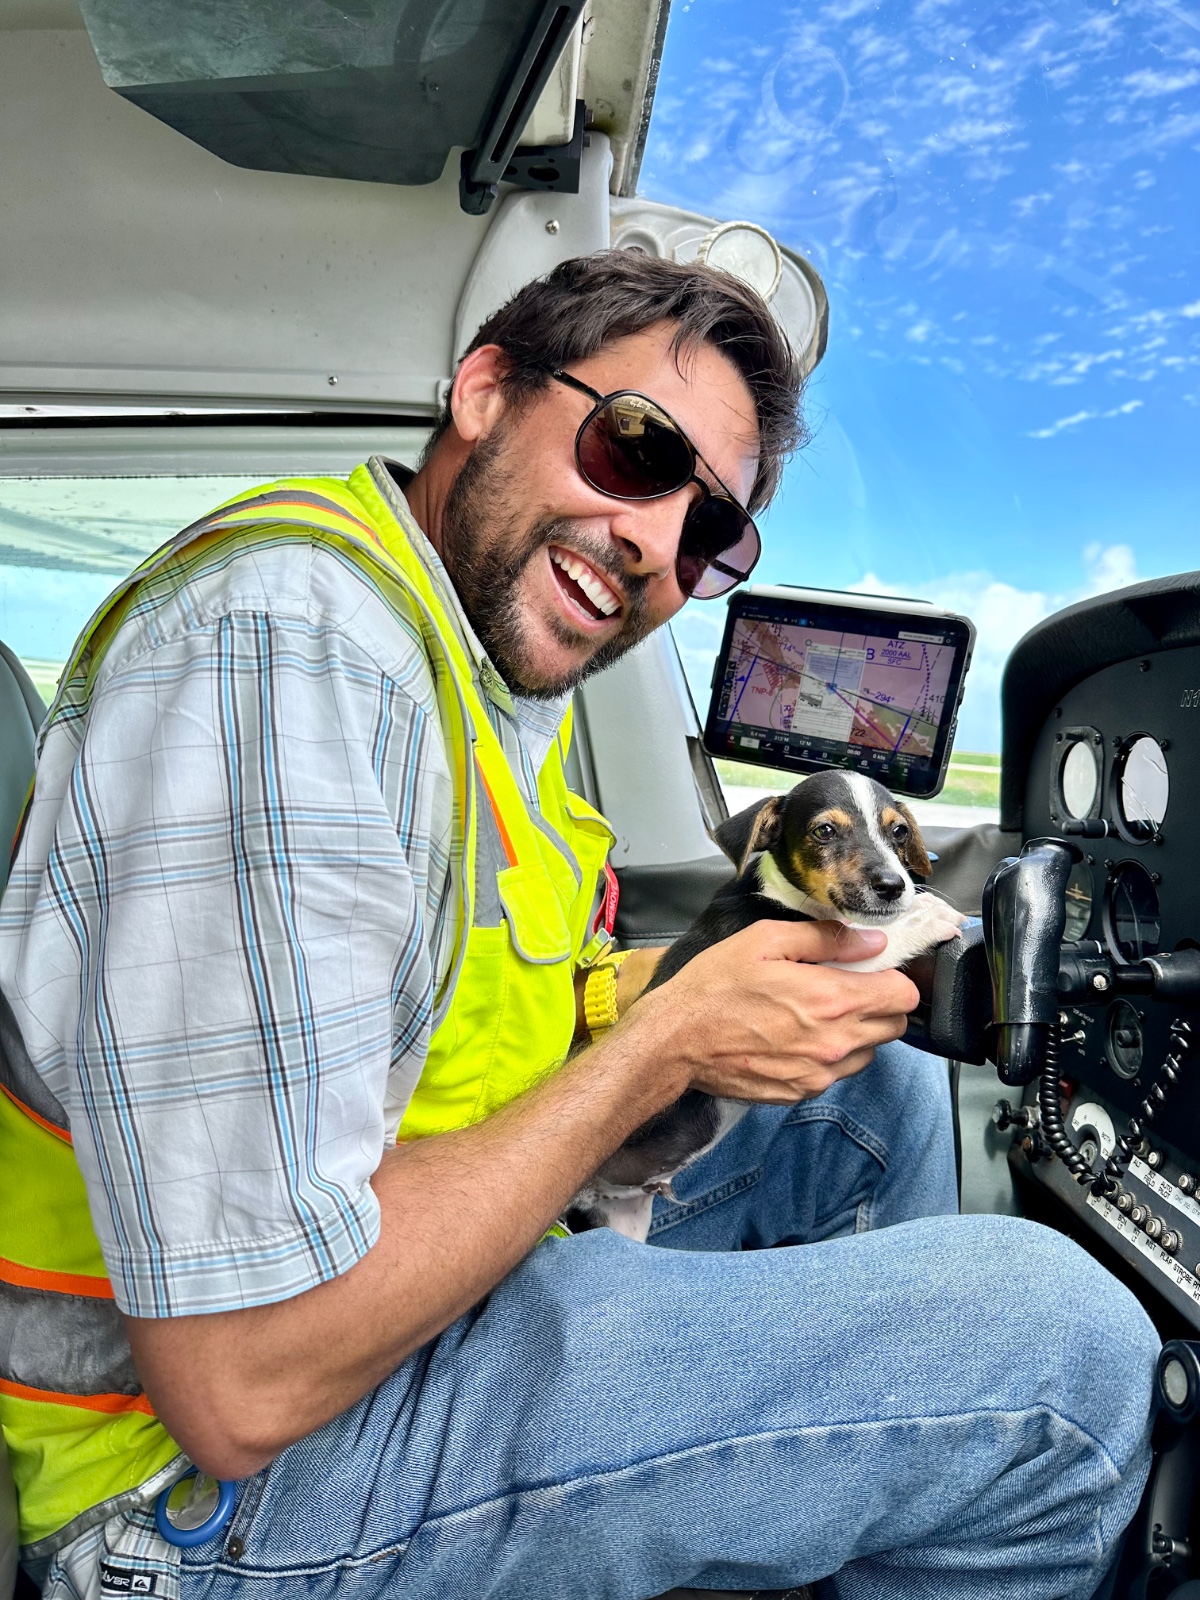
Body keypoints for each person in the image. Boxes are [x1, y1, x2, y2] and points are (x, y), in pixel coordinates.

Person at [0, 251, 1157, 1600]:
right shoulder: (291, 648)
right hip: (206, 1491)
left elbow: (456, 1016)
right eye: (636, 448)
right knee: (1062, 1359)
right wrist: (658, 1052)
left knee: (874, 1093)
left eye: (710, 531)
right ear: (484, 391)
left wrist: (656, 997)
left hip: (391, 1290)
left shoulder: (463, 671)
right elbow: (243, 1373)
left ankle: (835, 1491)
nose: (657, 545)